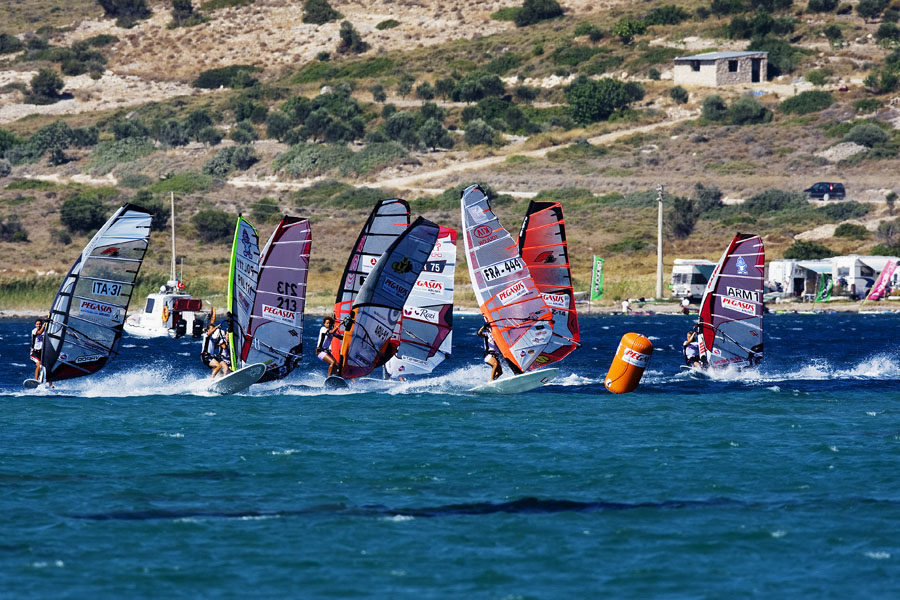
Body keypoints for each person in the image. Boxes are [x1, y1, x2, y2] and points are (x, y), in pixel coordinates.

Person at [30, 319, 51, 386]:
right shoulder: (34, 331)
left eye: (39, 324)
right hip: (34, 353)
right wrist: (44, 325)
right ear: (35, 325)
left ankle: (50, 383)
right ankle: (36, 381)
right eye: (37, 324)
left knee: (47, 366)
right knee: (39, 365)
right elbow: (39, 333)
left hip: (42, 352)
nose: (38, 325)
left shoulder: (45, 331)